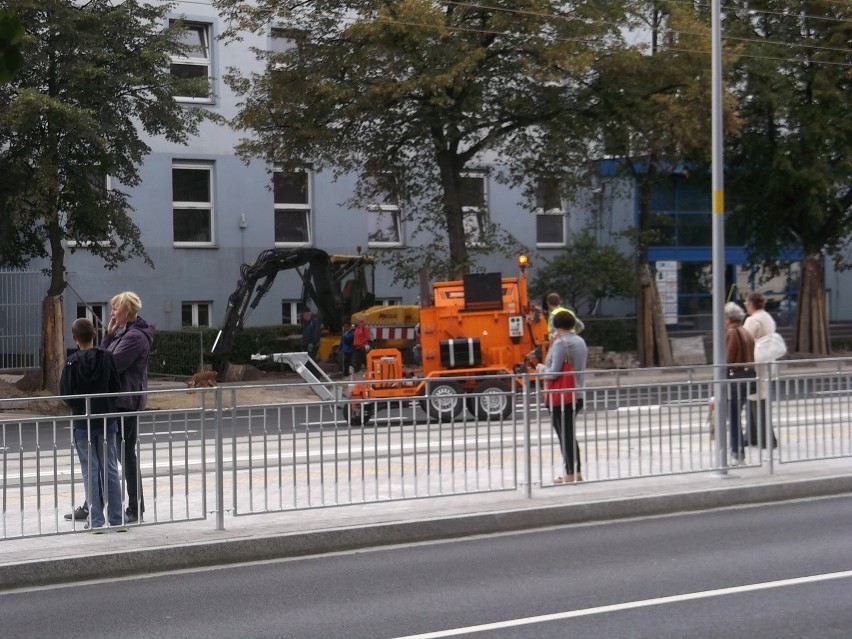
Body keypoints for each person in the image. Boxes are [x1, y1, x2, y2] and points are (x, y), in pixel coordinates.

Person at [60, 318, 124, 529]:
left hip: (82, 422)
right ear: (94, 335)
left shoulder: (71, 362)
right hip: (107, 419)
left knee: (90, 470)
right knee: (111, 469)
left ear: (74, 338)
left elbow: (66, 394)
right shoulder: (107, 357)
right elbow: (116, 386)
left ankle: (95, 519)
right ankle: (117, 517)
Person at [101, 291, 154, 523]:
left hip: (125, 403)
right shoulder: (122, 333)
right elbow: (104, 359)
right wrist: (108, 335)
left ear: (128, 311)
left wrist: (109, 340)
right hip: (118, 401)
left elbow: (109, 366)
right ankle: (94, 502)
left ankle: (135, 507)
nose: (112, 313)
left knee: (123, 455)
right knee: (110, 452)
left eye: (115, 309)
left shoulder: (135, 337)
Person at [539, 310, 587, 484]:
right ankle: (576, 472)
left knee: (565, 436)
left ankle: (570, 474)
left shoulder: (561, 343)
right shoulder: (580, 341)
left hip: (561, 396)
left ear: (555, 325)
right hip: (577, 393)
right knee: (569, 434)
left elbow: (553, 372)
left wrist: (540, 369)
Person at [742, 291, 778, 449]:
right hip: (768, 362)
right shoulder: (767, 317)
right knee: (756, 398)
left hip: (756, 364)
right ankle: (753, 436)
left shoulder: (752, 320)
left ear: (751, 304)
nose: (745, 307)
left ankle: (764, 438)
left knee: (756, 399)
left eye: (746, 304)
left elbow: (744, 339)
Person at [724, 301, 755, 462]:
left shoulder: (731, 332)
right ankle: (738, 450)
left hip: (735, 379)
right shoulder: (745, 331)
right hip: (748, 377)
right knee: (736, 415)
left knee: (733, 417)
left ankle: (737, 451)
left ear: (728, 318)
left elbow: (728, 359)